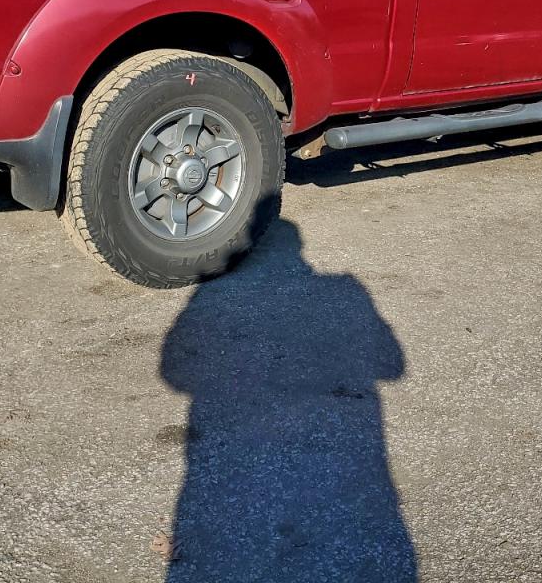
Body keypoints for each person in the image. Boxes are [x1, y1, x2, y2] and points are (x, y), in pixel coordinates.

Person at [160, 220, 416, 582]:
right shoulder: (346, 290)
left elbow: (173, 373)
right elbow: (393, 365)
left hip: (223, 468)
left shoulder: (206, 298)